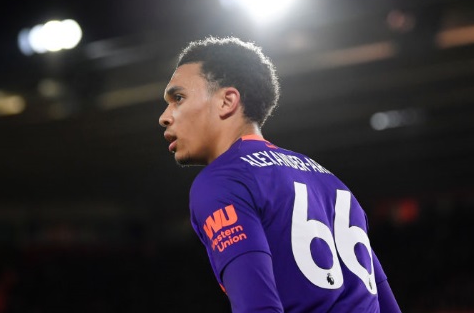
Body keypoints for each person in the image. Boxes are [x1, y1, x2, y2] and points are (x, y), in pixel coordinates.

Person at [159, 36, 402, 312]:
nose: (164, 116)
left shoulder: (222, 181)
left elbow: (258, 308)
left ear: (227, 101)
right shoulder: (332, 182)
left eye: (178, 98)